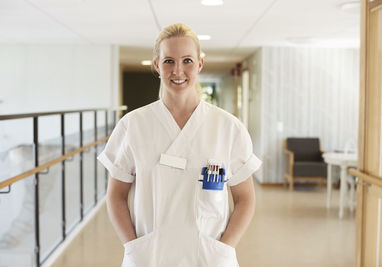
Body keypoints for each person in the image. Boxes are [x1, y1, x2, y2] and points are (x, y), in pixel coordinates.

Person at [98, 23, 261, 267]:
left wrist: (224, 249)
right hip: (149, 257)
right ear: (157, 65)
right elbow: (116, 196)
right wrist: (133, 248)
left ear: (199, 64)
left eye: (187, 60)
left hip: (208, 258)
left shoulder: (228, 128)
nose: (178, 71)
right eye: (168, 61)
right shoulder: (133, 125)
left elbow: (246, 199)